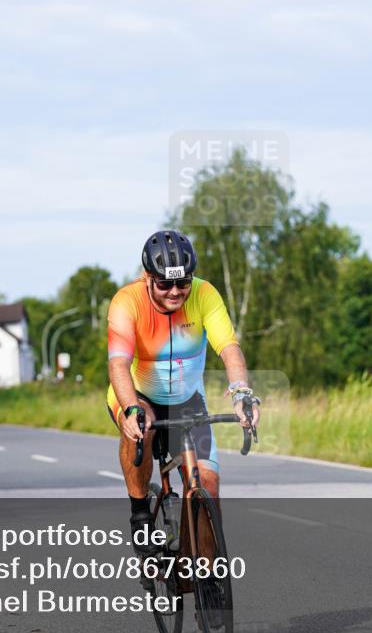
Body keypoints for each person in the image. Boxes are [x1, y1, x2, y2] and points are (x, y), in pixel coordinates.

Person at [107, 230, 260, 555]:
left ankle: (204, 572)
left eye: (183, 283)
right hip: (138, 395)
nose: (176, 291)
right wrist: (130, 408)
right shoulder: (127, 301)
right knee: (141, 428)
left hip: (187, 400)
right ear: (148, 278)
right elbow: (118, 364)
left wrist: (241, 392)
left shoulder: (205, 294)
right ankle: (140, 515)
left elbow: (229, 348)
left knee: (208, 483)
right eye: (165, 284)